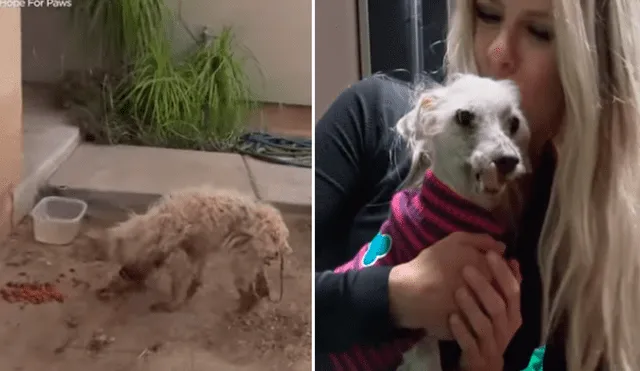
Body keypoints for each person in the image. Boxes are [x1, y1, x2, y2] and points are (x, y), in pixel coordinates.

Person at [314, 0, 640, 370]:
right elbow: (274, 303)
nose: (498, 50)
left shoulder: (590, 262)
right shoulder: (373, 117)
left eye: (540, 32)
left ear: (595, 70)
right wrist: (394, 296)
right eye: (488, 13)